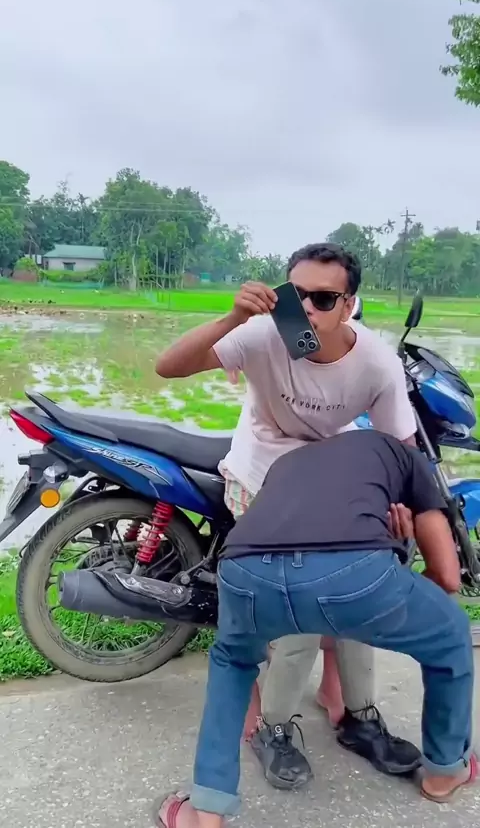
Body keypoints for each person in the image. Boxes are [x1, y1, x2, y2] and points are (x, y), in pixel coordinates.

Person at [156, 242, 420, 788]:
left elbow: (401, 447)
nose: (306, 309)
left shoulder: (375, 362)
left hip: (326, 479)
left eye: (322, 299)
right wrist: (232, 317)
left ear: (349, 304)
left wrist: (400, 509)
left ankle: (357, 714)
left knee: (361, 584)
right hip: (259, 475)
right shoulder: (268, 334)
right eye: (295, 295)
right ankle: (270, 725)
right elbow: (169, 366)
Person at [155, 429, 476, 828]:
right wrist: (397, 563)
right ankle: (445, 772)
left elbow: (293, 556)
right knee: (450, 634)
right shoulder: (408, 457)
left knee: (232, 661)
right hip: (350, 572)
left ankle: (206, 813)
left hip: (243, 570)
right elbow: (446, 576)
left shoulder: (288, 462)